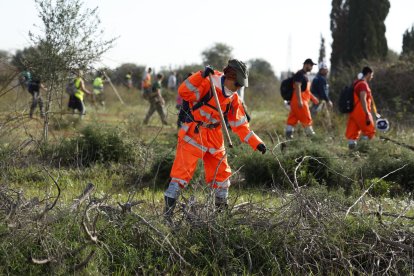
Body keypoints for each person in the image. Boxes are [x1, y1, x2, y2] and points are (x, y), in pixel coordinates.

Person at [163, 59, 267, 221]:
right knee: (180, 176)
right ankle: (167, 216)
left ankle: (220, 217)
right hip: (193, 134)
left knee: (222, 176)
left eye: (241, 85)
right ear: (230, 77)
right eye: (237, 84)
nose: (238, 88)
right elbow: (184, 92)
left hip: (215, 138)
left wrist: (256, 142)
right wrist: (200, 75)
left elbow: (240, 125)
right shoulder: (208, 82)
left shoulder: (234, 99)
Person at [285, 58, 319, 139]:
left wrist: (313, 98)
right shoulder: (300, 74)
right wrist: (300, 101)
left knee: (291, 121)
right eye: (311, 65)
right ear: (306, 64)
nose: (311, 67)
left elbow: (305, 90)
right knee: (307, 121)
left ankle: (287, 140)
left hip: (296, 102)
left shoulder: (304, 75)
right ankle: (313, 140)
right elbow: (297, 86)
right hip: (301, 102)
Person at [345, 66, 376, 149]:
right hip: (361, 111)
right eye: (372, 75)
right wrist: (367, 113)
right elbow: (363, 98)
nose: (372, 77)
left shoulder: (356, 83)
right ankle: (366, 150)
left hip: (353, 112)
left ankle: (352, 153)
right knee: (370, 132)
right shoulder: (363, 84)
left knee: (352, 134)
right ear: (368, 74)